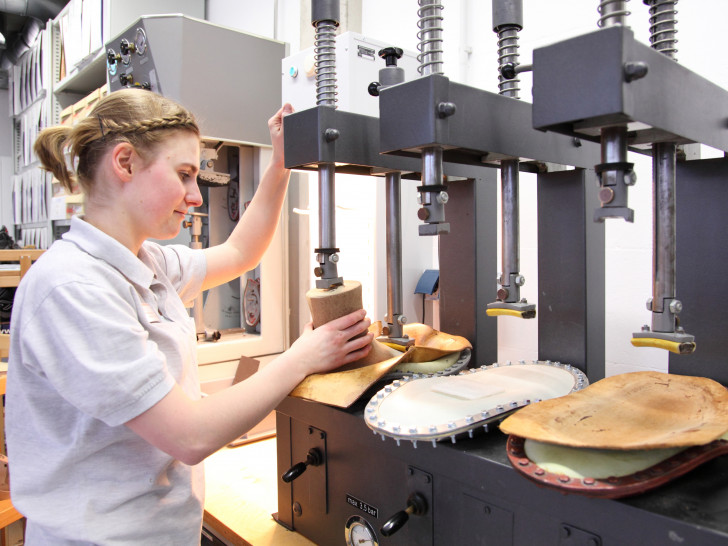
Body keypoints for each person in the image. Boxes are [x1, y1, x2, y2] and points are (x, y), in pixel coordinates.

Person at [6, 88, 374, 545]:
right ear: (124, 163)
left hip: (162, 527)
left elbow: (241, 251)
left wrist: (281, 163)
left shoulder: (147, 262)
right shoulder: (72, 287)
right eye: (184, 175)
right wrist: (303, 357)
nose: (195, 197)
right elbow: (190, 435)